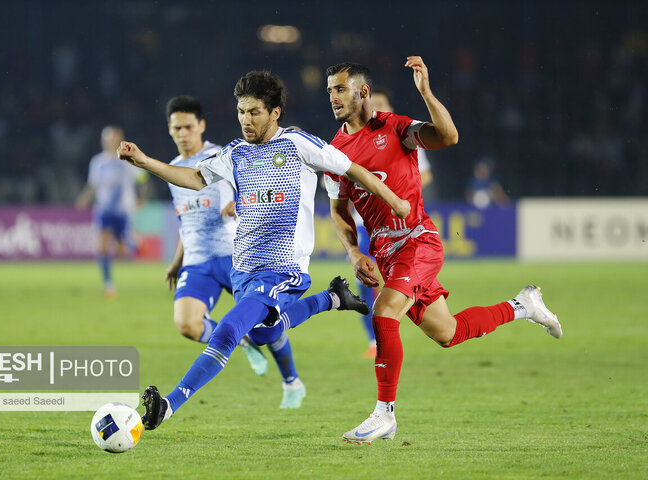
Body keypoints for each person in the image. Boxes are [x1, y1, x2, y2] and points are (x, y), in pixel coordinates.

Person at [117, 70, 411, 431]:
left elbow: (354, 170)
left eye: (254, 112)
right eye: (241, 112)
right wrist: (145, 161)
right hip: (243, 269)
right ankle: (332, 299)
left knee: (228, 330)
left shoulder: (298, 144)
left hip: (284, 269)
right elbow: (194, 178)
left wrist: (394, 198)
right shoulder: (235, 153)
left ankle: (168, 405)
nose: (245, 120)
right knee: (263, 334)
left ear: (274, 113)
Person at [324, 58, 562, 445]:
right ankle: (523, 306)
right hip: (385, 253)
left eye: (340, 88)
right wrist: (353, 252)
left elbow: (448, 137)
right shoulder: (333, 152)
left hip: (417, 240)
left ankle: (384, 415)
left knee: (384, 312)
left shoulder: (396, 128)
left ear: (362, 92)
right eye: (330, 90)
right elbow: (339, 211)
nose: (333, 97)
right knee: (447, 332)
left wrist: (426, 93)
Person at [163, 94, 310, 408]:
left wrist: (236, 203)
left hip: (236, 256)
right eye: (177, 128)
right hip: (198, 261)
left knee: (269, 323)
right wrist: (177, 262)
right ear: (170, 130)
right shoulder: (174, 170)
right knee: (186, 325)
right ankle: (242, 341)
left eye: (188, 126)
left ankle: (292, 381)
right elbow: (185, 220)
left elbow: (250, 187)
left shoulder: (224, 155)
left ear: (201, 126)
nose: (183, 133)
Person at [353, 86, 435, 358]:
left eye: (381, 104)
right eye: (372, 104)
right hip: (368, 230)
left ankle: (390, 334)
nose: (376, 109)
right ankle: (373, 341)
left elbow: (425, 174)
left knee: (399, 287)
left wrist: (397, 190)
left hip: (405, 228)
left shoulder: (403, 134)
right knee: (367, 285)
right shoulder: (355, 141)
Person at [76, 126, 148, 298]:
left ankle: (132, 242)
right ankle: (108, 284)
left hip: (123, 210)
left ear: (119, 139)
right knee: (102, 245)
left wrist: (142, 198)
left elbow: (143, 178)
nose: (109, 142)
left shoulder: (127, 160)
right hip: (103, 209)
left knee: (122, 251)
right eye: (107, 139)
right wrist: (85, 197)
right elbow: (93, 185)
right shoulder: (97, 162)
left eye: (113, 138)